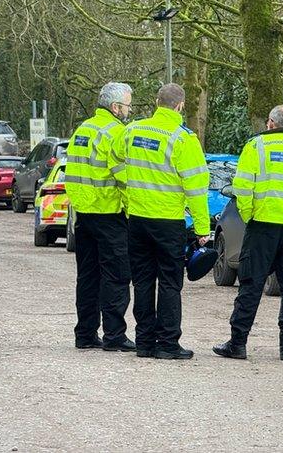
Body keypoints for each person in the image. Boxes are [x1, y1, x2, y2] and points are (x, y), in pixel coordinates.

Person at [213, 105, 283, 362]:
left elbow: (243, 187)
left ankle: (238, 343)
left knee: (251, 284)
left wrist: (250, 214)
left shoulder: (256, 147)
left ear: (271, 124)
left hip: (262, 226)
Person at [113, 83, 210, 360]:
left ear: (157, 102)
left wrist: (128, 192)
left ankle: (144, 342)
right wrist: (202, 229)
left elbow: (117, 158)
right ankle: (167, 343)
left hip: (138, 220)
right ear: (180, 106)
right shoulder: (184, 139)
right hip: (168, 222)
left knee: (143, 281)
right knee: (169, 282)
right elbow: (196, 188)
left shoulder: (132, 130)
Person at [65, 81, 134, 352]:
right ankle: (114, 336)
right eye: (127, 105)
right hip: (110, 212)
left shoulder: (83, 129)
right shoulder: (117, 132)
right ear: (115, 107)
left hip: (84, 214)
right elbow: (123, 177)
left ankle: (85, 334)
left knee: (88, 276)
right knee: (116, 277)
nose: (129, 111)